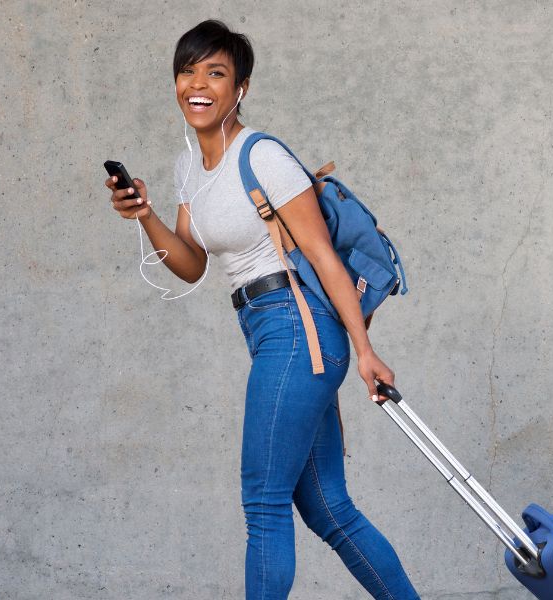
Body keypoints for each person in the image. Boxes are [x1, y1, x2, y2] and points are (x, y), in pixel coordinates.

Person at [105, 19, 421, 600]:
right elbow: (192, 263)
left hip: (297, 327)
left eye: (215, 73)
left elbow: (323, 257)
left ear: (240, 88)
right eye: (188, 70)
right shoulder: (189, 171)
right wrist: (145, 215)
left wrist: (367, 350)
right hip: (266, 331)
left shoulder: (263, 155)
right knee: (329, 511)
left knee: (265, 504)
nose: (197, 84)